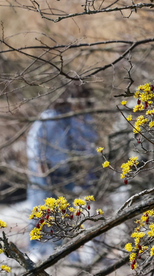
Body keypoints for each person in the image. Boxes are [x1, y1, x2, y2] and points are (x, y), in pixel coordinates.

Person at [25, 82, 100, 260]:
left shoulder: (80, 119)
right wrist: (40, 167)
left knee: (65, 209)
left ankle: (62, 248)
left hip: (66, 170)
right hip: (44, 169)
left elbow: (87, 143)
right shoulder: (49, 117)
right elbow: (35, 142)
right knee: (40, 208)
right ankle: (37, 247)